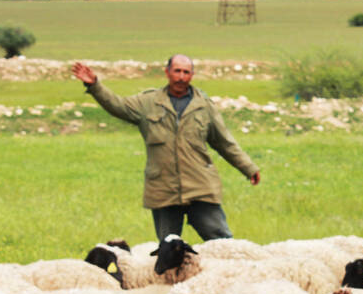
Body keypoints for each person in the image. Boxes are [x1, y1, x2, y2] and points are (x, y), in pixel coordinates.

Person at [71, 54, 260, 242]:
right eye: (177, 71)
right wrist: (94, 85)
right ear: (167, 72)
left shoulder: (204, 106)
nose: (181, 77)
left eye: (186, 72)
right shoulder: (148, 102)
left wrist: (248, 167)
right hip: (163, 189)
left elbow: (224, 142)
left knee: (222, 242)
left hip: (200, 187)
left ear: (192, 75)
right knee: (168, 248)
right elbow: (118, 106)